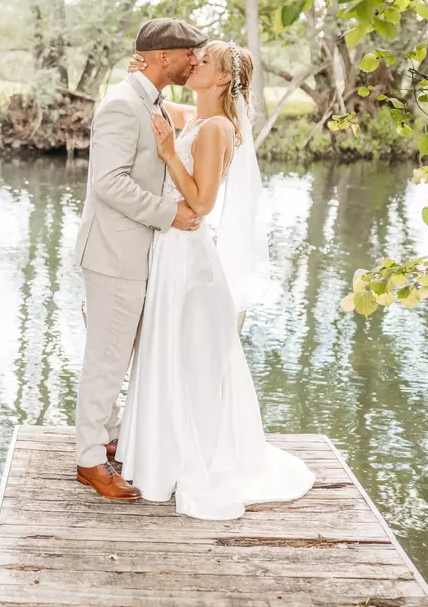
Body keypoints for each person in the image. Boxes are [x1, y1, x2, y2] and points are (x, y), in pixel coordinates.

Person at [114, 40, 315, 519]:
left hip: (189, 257)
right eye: (196, 56)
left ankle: (185, 457)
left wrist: (167, 154)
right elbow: (159, 103)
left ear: (223, 79)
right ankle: (156, 450)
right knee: (168, 349)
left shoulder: (218, 128)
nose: (194, 62)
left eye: (204, 61)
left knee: (188, 355)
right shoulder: (200, 118)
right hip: (171, 251)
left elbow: (202, 205)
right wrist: (140, 75)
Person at [71, 18, 204, 500]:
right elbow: (109, 183)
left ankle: (107, 436)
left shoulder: (149, 99)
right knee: (106, 359)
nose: (195, 59)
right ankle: (89, 460)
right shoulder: (122, 106)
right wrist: (169, 214)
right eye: (190, 51)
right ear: (164, 56)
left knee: (118, 351)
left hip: (135, 253)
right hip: (112, 253)